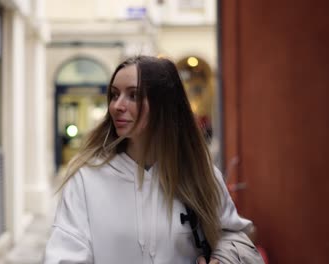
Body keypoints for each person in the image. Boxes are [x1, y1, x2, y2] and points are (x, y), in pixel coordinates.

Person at [44, 55, 264, 264]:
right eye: (114, 94)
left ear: (163, 105)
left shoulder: (199, 174)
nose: (117, 105)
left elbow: (236, 234)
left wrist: (223, 259)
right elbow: (64, 254)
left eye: (133, 95)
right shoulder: (86, 179)